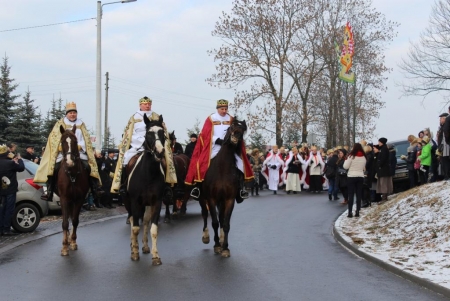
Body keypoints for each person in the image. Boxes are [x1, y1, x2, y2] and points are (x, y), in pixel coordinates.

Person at [185, 99, 253, 202]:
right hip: (214, 147)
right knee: (202, 164)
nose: (224, 111)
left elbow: (235, 132)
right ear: (217, 109)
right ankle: (198, 188)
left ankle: (240, 189)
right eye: (222, 109)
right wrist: (217, 140)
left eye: (226, 109)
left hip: (229, 147)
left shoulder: (231, 119)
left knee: (240, 164)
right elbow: (205, 134)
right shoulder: (211, 119)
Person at [34, 102, 104, 202]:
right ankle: (49, 192)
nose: (72, 114)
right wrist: (60, 148)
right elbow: (54, 139)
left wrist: (80, 146)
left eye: (74, 112)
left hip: (79, 151)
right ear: (67, 114)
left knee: (88, 166)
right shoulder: (60, 124)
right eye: (70, 112)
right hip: (63, 152)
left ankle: (95, 189)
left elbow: (86, 140)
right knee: (54, 167)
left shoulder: (81, 124)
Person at [111, 96, 177, 195]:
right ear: (140, 105)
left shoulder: (156, 116)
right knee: (125, 159)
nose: (147, 106)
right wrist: (141, 141)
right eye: (145, 104)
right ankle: (123, 185)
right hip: (138, 145)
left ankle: (167, 186)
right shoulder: (134, 118)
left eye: (149, 104)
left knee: (166, 161)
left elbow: (163, 133)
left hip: (155, 145)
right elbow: (129, 134)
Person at [0, 145, 25, 236]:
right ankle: (6, 229)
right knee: (9, 209)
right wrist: (19, 159)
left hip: (1, 191)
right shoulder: (10, 163)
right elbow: (21, 168)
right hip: (10, 190)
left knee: (1, 209)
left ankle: (1, 229)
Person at [343, 143, 367, 218]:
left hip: (351, 176)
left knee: (351, 194)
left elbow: (345, 166)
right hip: (360, 176)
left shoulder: (351, 156)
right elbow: (363, 167)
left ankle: (350, 212)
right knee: (358, 194)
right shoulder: (364, 157)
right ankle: (357, 211)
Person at [376, 137, 393, 202]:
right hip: (384, 169)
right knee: (383, 183)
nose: (378, 143)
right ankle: (384, 196)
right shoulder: (384, 148)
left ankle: (384, 197)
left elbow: (383, 158)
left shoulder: (383, 149)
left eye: (379, 142)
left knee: (383, 183)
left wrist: (379, 164)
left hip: (383, 169)